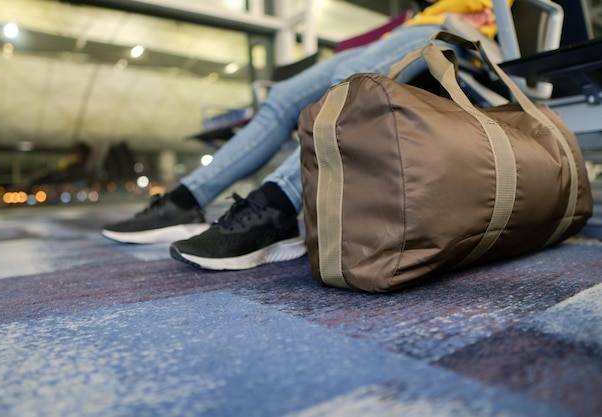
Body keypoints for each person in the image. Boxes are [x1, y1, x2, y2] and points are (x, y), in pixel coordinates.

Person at [101, 0, 507, 270]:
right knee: (281, 97)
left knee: (352, 82)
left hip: (457, 37)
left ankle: (276, 206)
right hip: (403, 34)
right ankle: (185, 201)